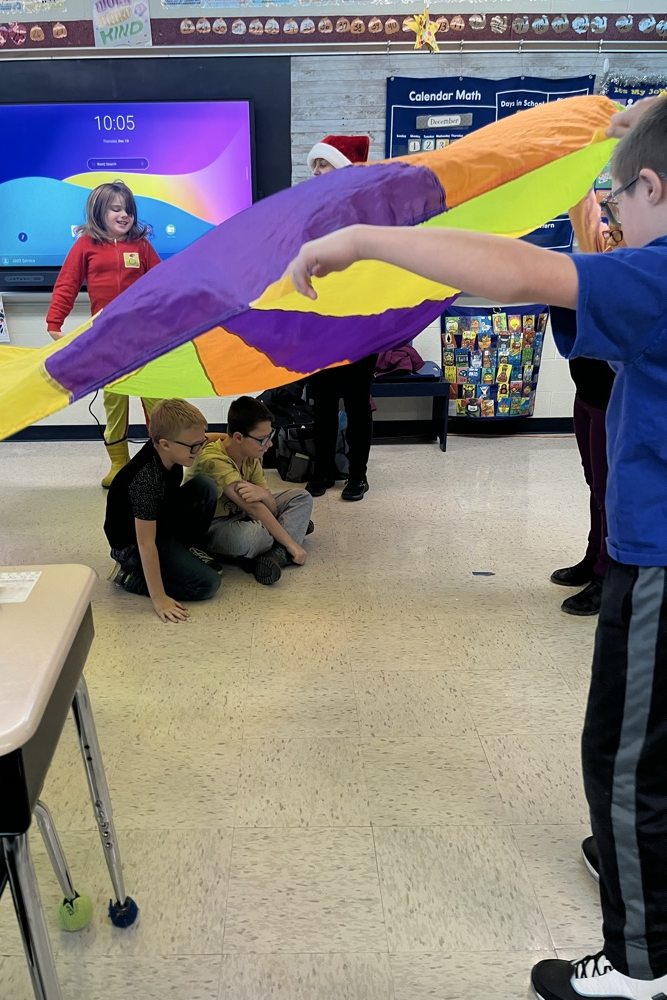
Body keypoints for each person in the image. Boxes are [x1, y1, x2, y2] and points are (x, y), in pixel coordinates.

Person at [286, 94, 667, 1000]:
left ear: (653, 188)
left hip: (658, 566)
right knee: (648, 752)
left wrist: (371, 237)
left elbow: (520, 270)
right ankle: (641, 863)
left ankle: (641, 966)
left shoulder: (662, 275)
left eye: (625, 204)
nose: (622, 223)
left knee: (620, 760)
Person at [46, 180, 161, 488]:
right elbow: (67, 283)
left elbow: (163, 284)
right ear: (99, 212)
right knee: (115, 402)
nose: (124, 215)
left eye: (128, 210)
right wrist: (54, 324)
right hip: (107, 341)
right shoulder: (86, 245)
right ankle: (119, 465)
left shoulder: (142, 246)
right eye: (116, 209)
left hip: (144, 338)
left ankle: (160, 464)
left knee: (156, 401)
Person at [549, 190, 623, 616]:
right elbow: (585, 213)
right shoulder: (606, 249)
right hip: (588, 390)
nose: (608, 233)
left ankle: (606, 574)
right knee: (595, 482)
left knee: (610, 487)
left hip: (612, 398)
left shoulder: (634, 262)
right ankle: (594, 554)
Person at [104, 398, 222, 623]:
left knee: (204, 486)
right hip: (133, 546)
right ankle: (130, 578)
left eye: (202, 441)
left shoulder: (173, 451)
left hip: (159, 522)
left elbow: (197, 440)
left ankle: (185, 552)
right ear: (166, 444)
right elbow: (146, 544)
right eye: (194, 446)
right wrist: (159, 598)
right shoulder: (145, 481)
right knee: (207, 585)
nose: (199, 450)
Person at [304, 135, 376, 502]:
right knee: (324, 403)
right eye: (314, 164)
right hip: (321, 324)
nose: (316, 170)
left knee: (357, 403)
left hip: (359, 325)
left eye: (323, 163)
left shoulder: (367, 211)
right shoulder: (310, 211)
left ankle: (358, 476)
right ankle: (323, 472)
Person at [185, 396, 313, 586]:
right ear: (238, 437)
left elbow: (269, 506)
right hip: (214, 526)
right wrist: (291, 544)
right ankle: (286, 540)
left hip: (242, 514)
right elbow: (255, 509)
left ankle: (276, 553)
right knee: (256, 537)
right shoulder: (214, 461)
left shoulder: (250, 454)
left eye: (271, 435)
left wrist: (262, 494)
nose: (269, 444)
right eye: (263, 439)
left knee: (302, 497)